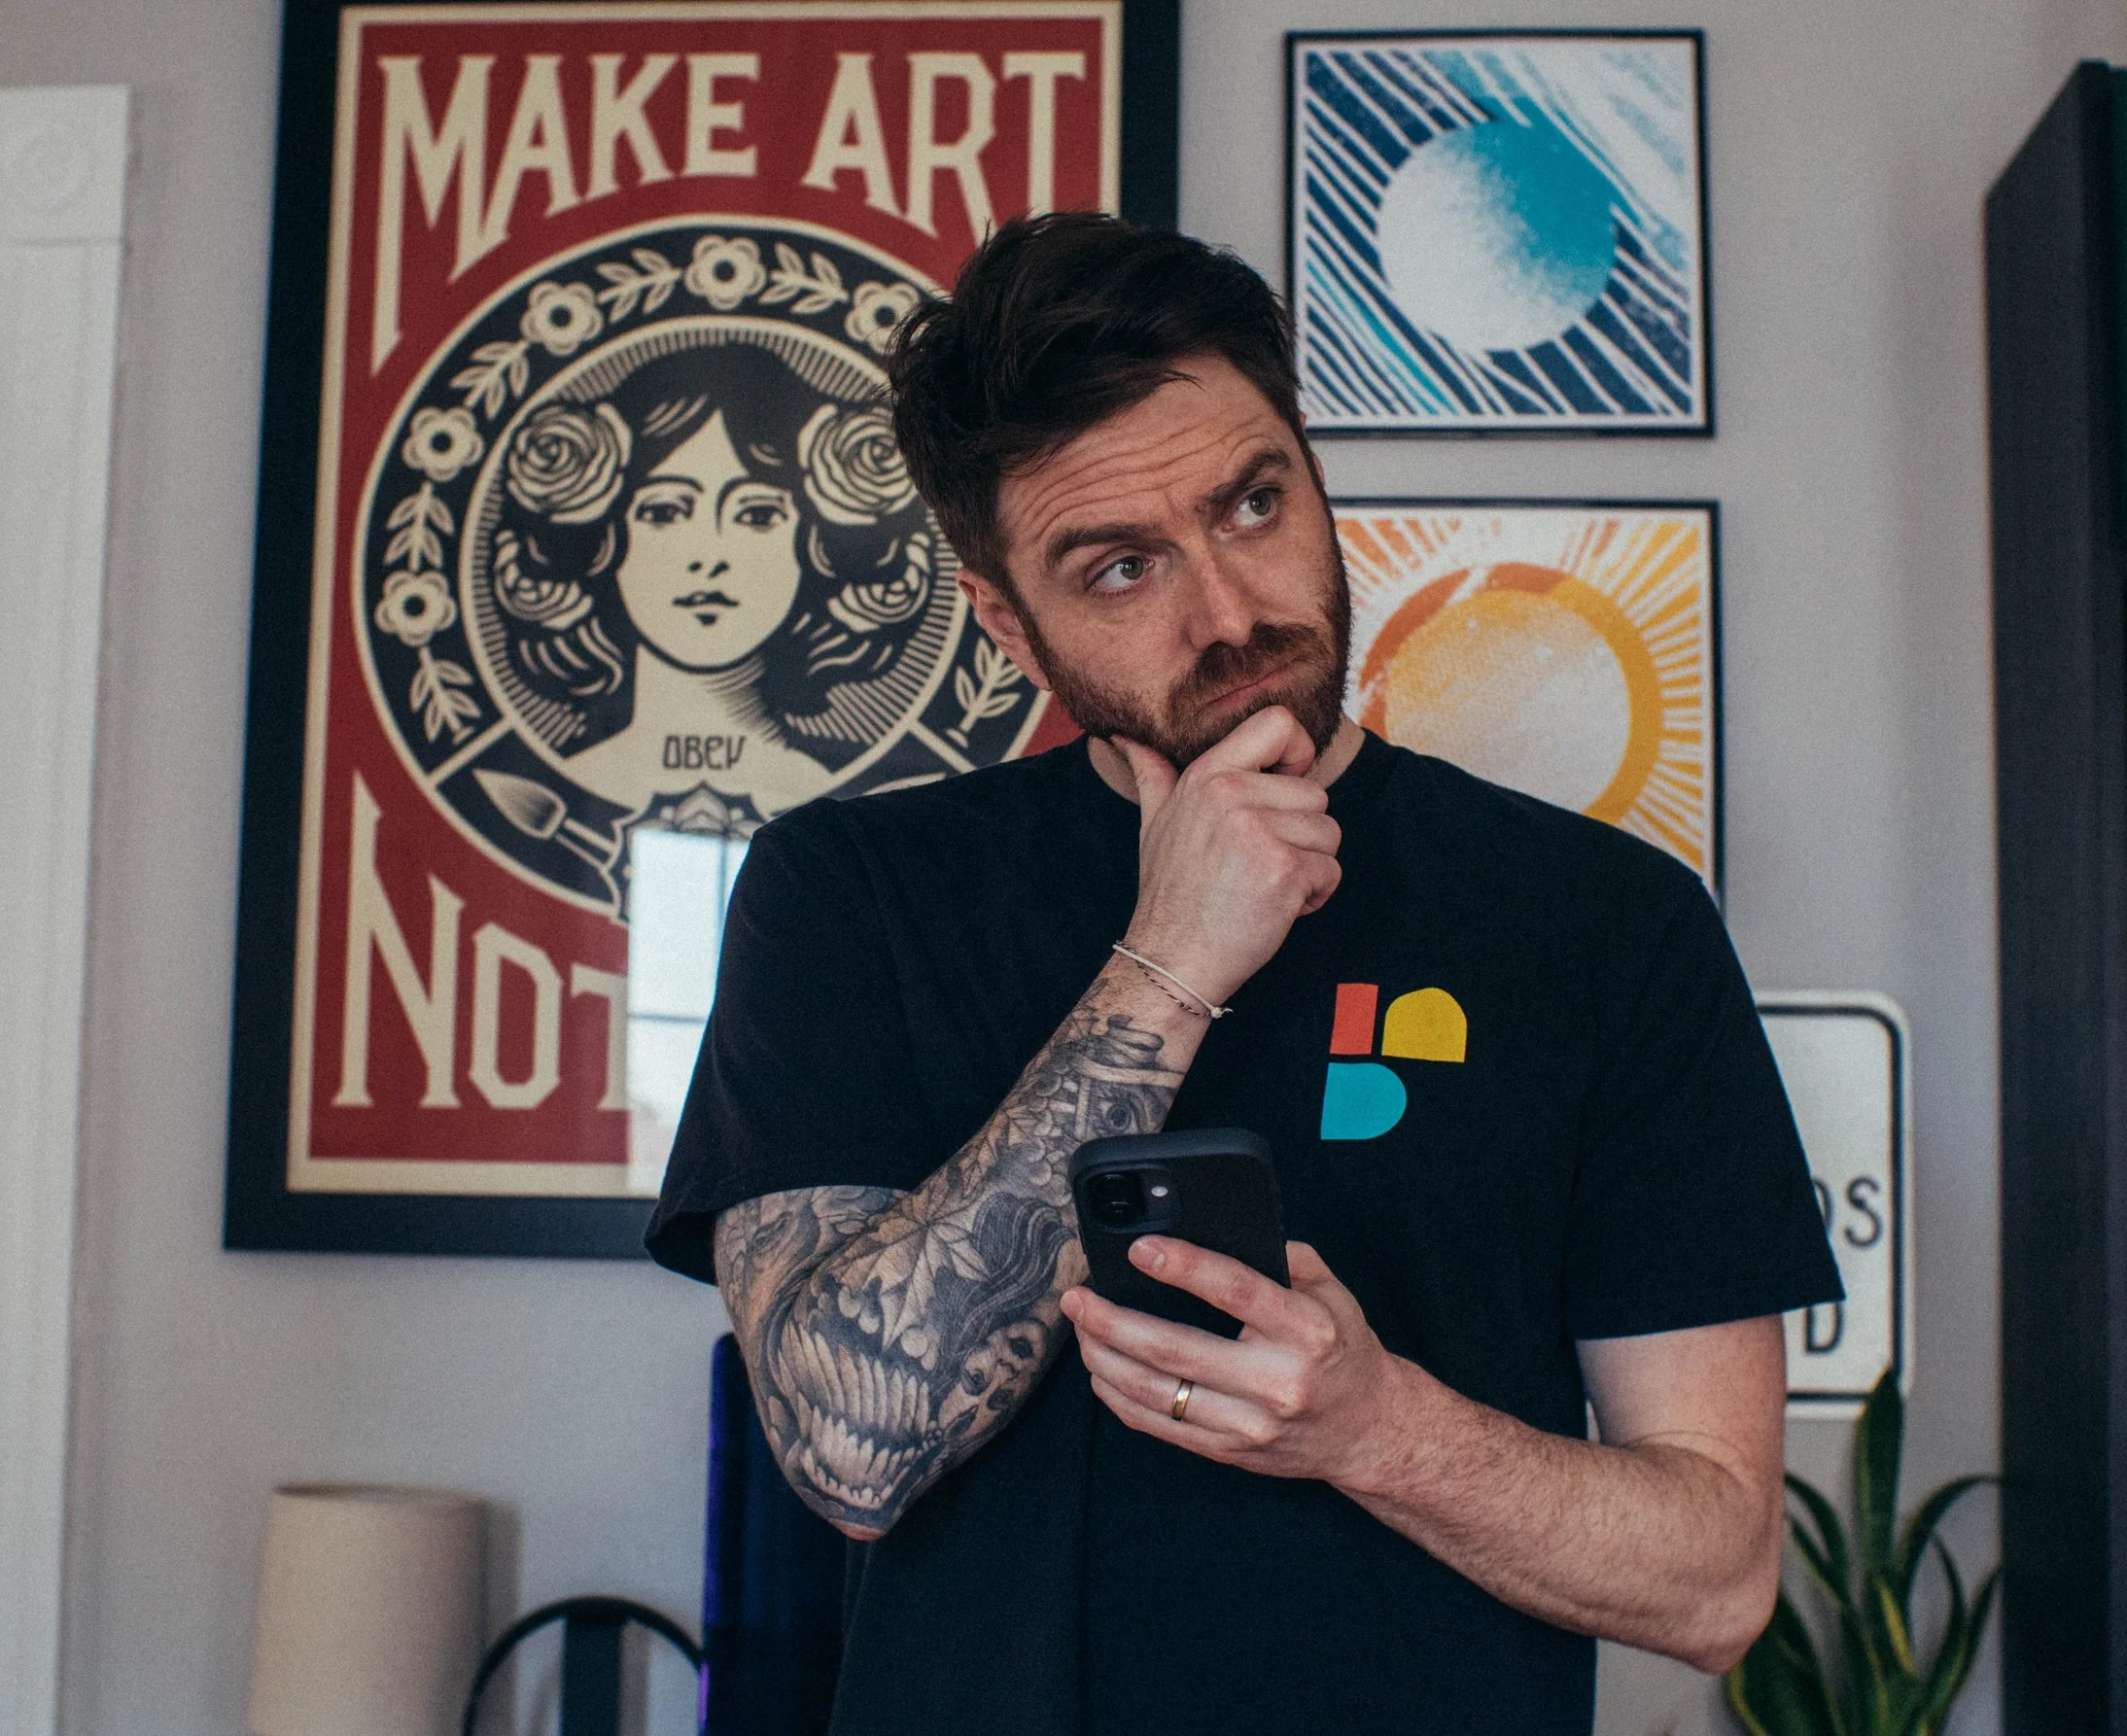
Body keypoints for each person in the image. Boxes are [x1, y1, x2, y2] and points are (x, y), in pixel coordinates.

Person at [645, 213, 1842, 1736]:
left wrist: (1374, 1427)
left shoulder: (1610, 925)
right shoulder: (850, 896)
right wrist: (1171, 961)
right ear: (1010, 619)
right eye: (1123, 565)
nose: (1230, 612)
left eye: (1253, 503)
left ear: (1314, 475)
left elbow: (1720, 1576)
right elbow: (847, 1450)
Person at [484, 340, 946, 814]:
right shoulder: (550, 798)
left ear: (813, 546)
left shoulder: (844, 804)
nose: (710, 556)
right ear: (604, 540)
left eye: (758, 514)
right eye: (664, 510)